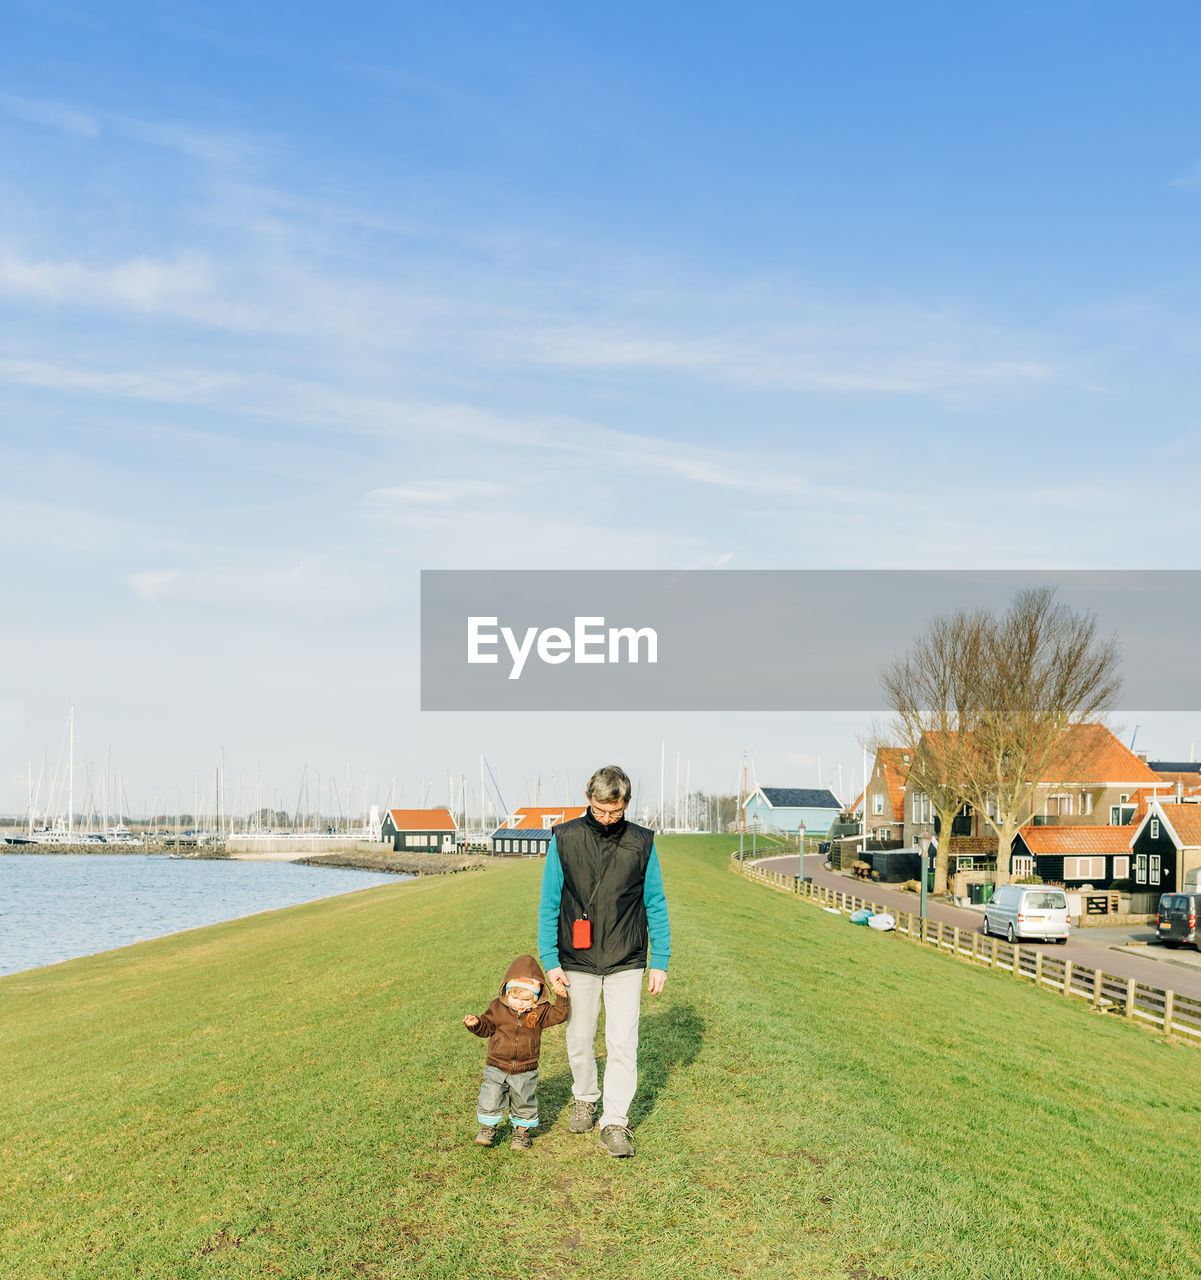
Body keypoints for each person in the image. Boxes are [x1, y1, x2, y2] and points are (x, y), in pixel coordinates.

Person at [538, 764, 670, 1158]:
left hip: (626, 957)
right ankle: (584, 1097)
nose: (607, 818)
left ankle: (614, 1122)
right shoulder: (564, 838)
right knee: (579, 1037)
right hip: (575, 957)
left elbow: (656, 903)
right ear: (588, 799)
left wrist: (659, 959)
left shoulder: (642, 842)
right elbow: (550, 902)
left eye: (615, 811)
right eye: (600, 810)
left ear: (626, 803)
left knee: (622, 1043)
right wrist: (549, 958)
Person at [463, 953, 570, 1150]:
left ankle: (521, 1133)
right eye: (515, 997)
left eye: (526, 999)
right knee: (491, 1096)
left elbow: (560, 1014)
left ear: (536, 997)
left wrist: (562, 997)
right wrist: (476, 1024)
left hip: (525, 1067)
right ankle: (488, 1128)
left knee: (523, 1100)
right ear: (507, 992)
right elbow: (486, 1027)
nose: (520, 1003)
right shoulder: (497, 1007)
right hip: (496, 1064)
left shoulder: (540, 1011)